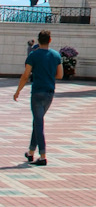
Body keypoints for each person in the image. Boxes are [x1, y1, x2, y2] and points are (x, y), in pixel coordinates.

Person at [14, 29, 63, 167]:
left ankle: (42, 155)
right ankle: (30, 152)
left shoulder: (33, 56)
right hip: (49, 93)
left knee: (38, 123)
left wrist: (18, 91)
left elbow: (25, 75)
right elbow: (59, 75)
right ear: (50, 40)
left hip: (37, 93)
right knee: (38, 121)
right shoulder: (55, 55)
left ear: (39, 40)